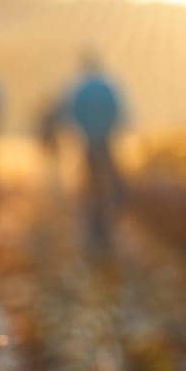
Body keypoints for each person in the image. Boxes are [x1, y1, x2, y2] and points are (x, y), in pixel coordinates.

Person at [66, 49, 125, 255]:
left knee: (90, 184)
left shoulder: (79, 88)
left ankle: (93, 227)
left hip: (89, 142)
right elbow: (119, 112)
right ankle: (107, 224)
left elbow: (71, 114)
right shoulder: (109, 86)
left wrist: (83, 131)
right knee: (109, 183)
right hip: (105, 141)